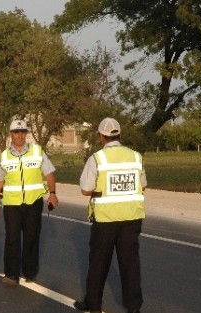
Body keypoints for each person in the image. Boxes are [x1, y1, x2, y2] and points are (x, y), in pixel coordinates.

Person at [74, 117, 146, 313]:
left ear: (100, 137)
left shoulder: (97, 159)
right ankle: (134, 307)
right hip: (131, 218)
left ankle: (93, 305)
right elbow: (143, 185)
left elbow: (85, 189)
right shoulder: (136, 157)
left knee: (99, 262)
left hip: (105, 219)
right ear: (120, 135)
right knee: (130, 263)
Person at [0, 119, 59, 285]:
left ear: (26, 134)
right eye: (16, 132)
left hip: (33, 203)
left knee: (31, 238)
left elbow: (49, 173)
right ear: (11, 134)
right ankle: (12, 274)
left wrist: (53, 193)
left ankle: (30, 272)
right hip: (12, 204)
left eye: (22, 132)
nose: (19, 135)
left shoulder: (37, 152)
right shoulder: (4, 156)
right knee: (12, 238)